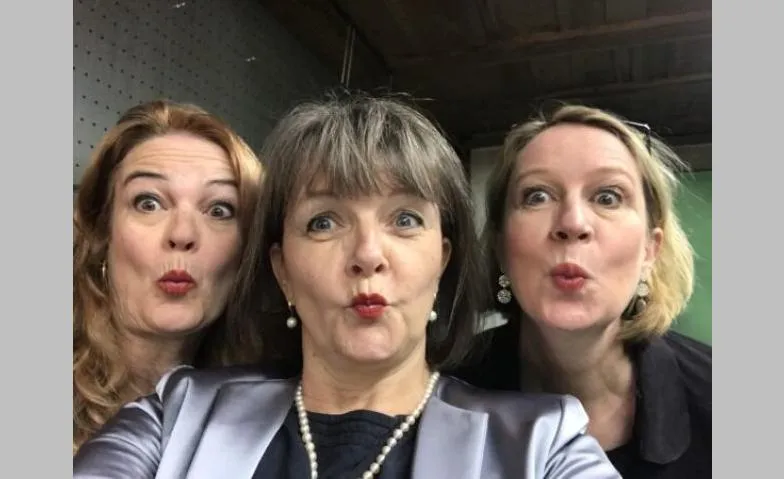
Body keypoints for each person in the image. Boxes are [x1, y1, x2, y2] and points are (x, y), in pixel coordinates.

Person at [73, 93, 621, 478]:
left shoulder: (543, 443)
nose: (367, 254)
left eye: (404, 219)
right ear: (282, 270)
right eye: (324, 222)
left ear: (443, 259)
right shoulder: (176, 414)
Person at [452, 104, 711, 478]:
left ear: (650, 251)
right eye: (537, 196)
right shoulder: (439, 397)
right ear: (501, 248)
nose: (572, 223)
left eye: (608, 197)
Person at [73, 99, 265, 453]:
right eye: (149, 203)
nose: (182, 234)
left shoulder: (266, 418)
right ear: (103, 232)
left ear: (247, 250)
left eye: (219, 209)